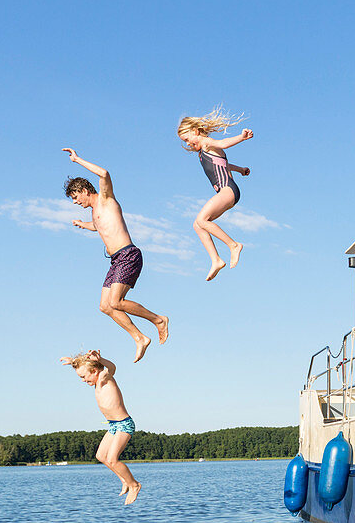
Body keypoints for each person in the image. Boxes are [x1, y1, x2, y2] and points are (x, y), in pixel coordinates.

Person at [64, 148, 169, 362]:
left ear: (84, 190)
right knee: (105, 306)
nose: (76, 202)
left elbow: (104, 174)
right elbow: (99, 226)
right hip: (115, 261)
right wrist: (82, 225)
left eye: (76, 197)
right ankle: (139, 338)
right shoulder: (95, 212)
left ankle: (158, 319)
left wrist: (77, 160)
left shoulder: (105, 198)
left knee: (117, 301)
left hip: (128, 255)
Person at [176, 108, 253, 280]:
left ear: (195, 131)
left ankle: (233, 245)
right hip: (227, 191)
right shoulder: (203, 153)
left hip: (228, 190)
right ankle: (216, 260)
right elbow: (223, 163)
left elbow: (224, 143)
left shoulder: (208, 143)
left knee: (202, 220)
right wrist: (240, 169)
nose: (188, 144)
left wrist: (242, 137)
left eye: (187, 139)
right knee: (198, 224)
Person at [61, 350, 142, 505]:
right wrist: (73, 362)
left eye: (83, 377)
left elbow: (112, 368)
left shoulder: (104, 378)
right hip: (113, 426)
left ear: (95, 371)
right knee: (101, 456)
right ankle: (125, 480)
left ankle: (134, 485)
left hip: (124, 424)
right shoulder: (95, 379)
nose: (83, 380)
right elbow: (86, 367)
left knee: (112, 459)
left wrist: (101, 359)